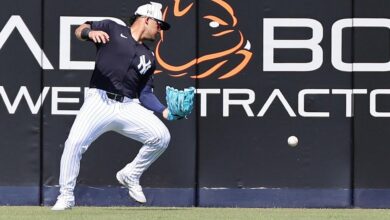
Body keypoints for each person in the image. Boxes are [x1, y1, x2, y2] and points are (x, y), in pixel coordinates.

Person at [51, 1, 172, 211]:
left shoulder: (149, 57)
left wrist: (163, 110)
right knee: (74, 143)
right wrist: (89, 33)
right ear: (147, 19)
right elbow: (79, 30)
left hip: (127, 105)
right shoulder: (113, 28)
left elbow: (144, 94)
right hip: (99, 100)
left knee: (161, 137)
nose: (160, 30)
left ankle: (131, 174)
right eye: (159, 25)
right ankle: (66, 196)